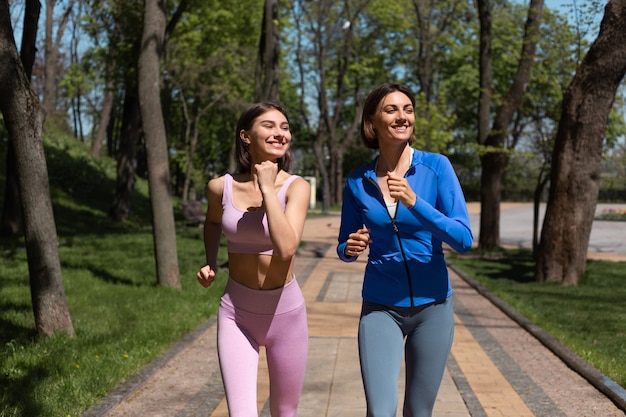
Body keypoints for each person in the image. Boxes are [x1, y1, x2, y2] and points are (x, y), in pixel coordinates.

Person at [336, 83, 473, 417]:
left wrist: (416, 203)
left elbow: (464, 239)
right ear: (372, 122)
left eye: (408, 109)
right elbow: (344, 244)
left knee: (418, 411)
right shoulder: (358, 181)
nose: (402, 116)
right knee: (381, 411)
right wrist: (349, 247)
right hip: (381, 306)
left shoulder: (436, 167)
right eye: (391, 109)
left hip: (434, 307)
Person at [197, 102, 310, 417]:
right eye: (270, 125)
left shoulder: (296, 187)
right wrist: (209, 261)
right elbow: (212, 222)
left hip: (285, 315)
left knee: (285, 412)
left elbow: (286, 247)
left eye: (285, 127)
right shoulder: (221, 187)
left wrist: (267, 189)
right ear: (246, 136)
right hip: (236, 314)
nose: (280, 133)